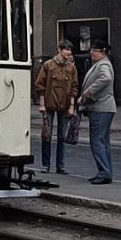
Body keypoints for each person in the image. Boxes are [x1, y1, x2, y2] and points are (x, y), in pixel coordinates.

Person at [35, 40, 78, 174]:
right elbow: (40, 85)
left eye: (70, 49)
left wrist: (71, 106)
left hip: (64, 106)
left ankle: (60, 165)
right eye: (66, 49)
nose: (68, 52)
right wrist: (42, 104)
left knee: (61, 136)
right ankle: (45, 164)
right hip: (49, 104)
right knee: (46, 135)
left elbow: (74, 88)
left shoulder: (71, 68)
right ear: (59, 49)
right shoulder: (48, 65)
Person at [78, 39, 116, 185]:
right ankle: (105, 172)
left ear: (102, 52)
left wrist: (87, 94)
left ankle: (104, 173)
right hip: (103, 108)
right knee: (103, 142)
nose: (91, 53)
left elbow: (106, 78)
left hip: (101, 107)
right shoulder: (100, 64)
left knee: (97, 141)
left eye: (94, 50)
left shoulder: (104, 64)